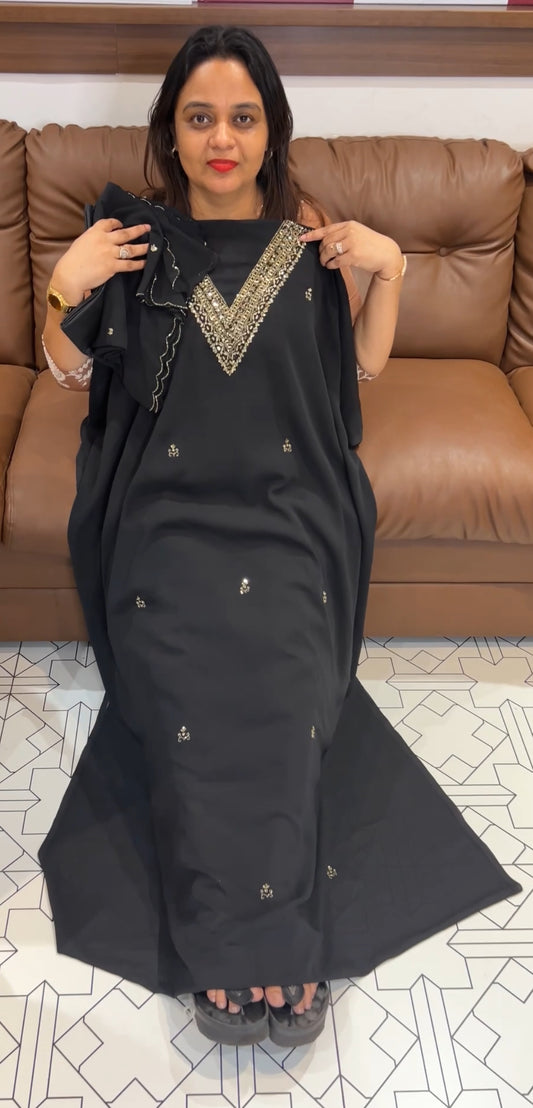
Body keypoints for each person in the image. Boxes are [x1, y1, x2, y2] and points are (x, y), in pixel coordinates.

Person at [38, 24, 520, 1049]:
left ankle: (260, 938)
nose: (222, 138)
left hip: (288, 513)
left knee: (284, 683)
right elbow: (69, 374)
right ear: (172, 132)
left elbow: (360, 374)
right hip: (165, 520)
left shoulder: (309, 248)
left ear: (270, 131)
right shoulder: (133, 242)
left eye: (242, 117)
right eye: (199, 117)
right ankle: (252, 941)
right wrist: (65, 287)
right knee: (191, 683)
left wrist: (388, 271)